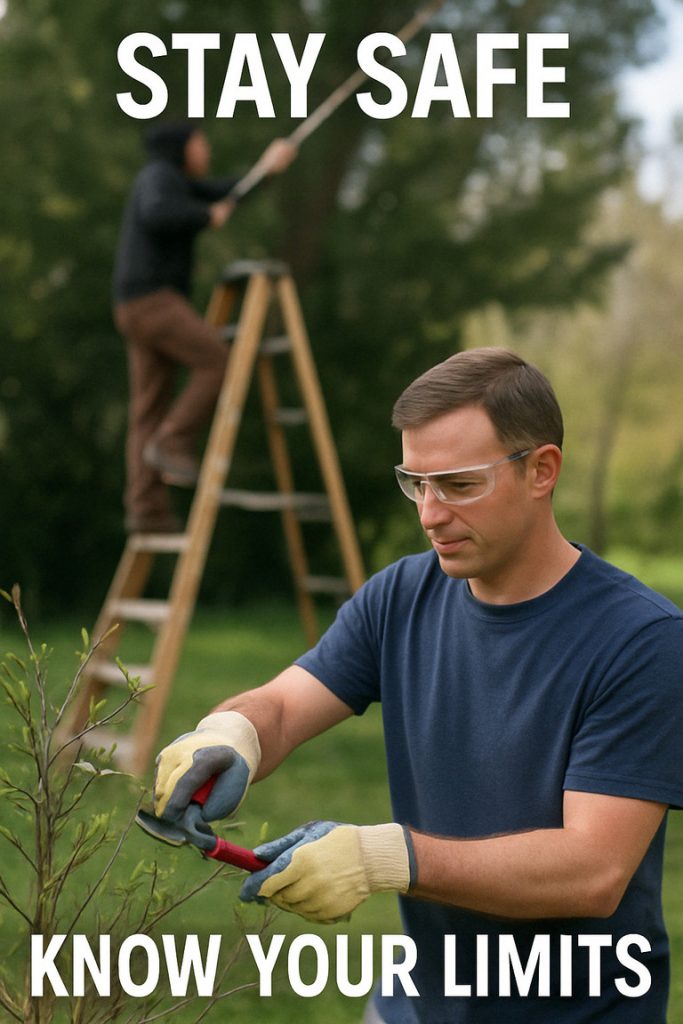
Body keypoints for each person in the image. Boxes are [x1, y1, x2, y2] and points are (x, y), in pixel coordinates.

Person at [152, 347, 683, 1022]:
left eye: (458, 485)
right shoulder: (401, 596)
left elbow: (592, 870)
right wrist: (234, 733)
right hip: (416, 1003)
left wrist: (384, 857)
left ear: (541, 470)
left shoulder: (642, 641)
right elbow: (284, 704)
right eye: (416, 484)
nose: (430, 514)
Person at [113, 120, 297, 533]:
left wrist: (267, 169)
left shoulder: (174, 181)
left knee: (148, 408)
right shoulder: (159, 177)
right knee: (218, 362)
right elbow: (158, 215)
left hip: (136, 304)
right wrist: (204, 216)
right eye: (200, 143)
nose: (206, 151)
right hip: (153, 301)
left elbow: (227, 192)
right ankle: (174, 440)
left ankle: (146, 510)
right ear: (182, 147)